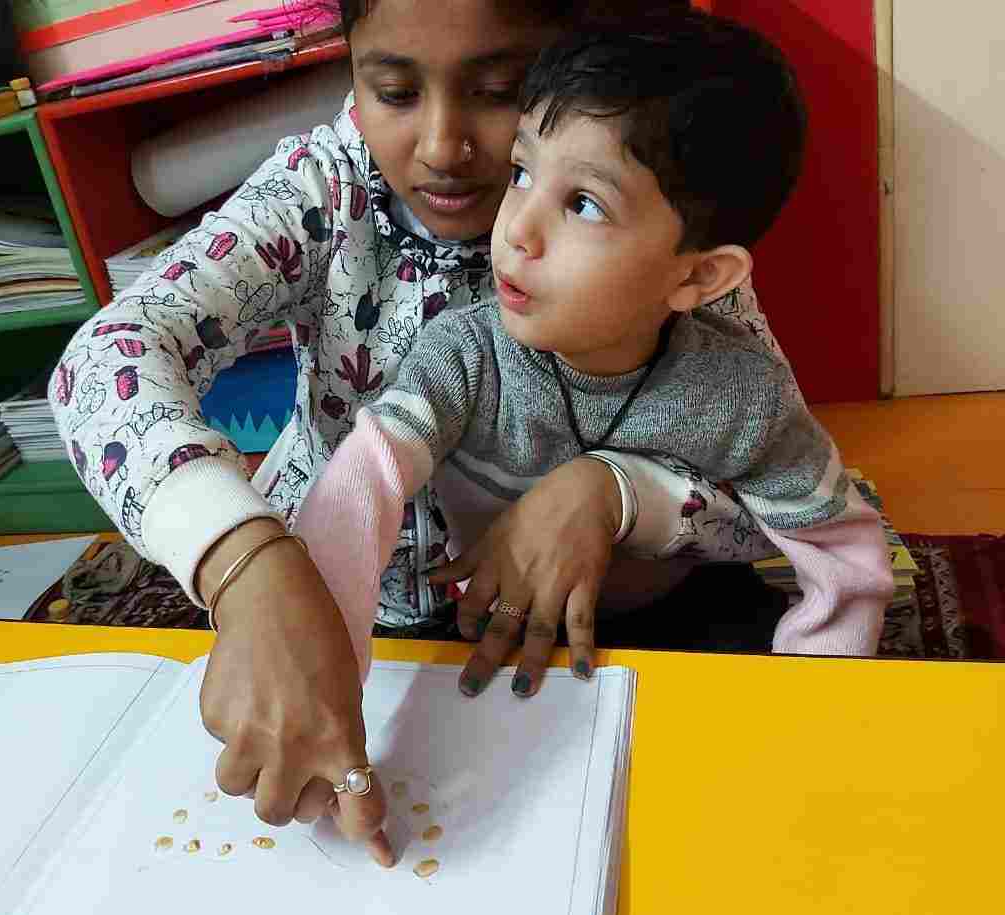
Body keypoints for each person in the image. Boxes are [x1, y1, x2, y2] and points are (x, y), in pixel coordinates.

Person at [49, 0, 787, 866]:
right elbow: (106, 358)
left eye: (501, 90)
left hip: (596, 610)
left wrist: (616, 492)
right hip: (360, 613)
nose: (442, 147)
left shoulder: (650, 204)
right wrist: (245, 562)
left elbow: (782, 477)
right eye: (394, 91)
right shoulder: (324, 190)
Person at [294, 10, 896, 689]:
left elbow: (840, 548)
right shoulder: (464, 355)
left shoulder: (741, 395)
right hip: (491, 620)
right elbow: (365, 475)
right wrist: (322, 664)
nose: (518, 229)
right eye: (522, 171)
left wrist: (822, 686)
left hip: (677, 615)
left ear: (699, 276)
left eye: (582, 203)